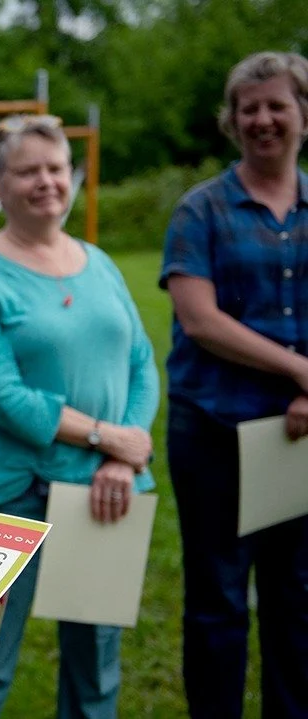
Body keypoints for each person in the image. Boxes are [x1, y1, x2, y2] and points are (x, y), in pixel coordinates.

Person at [0, 115, 159, 719]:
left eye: (56, 168)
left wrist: (121, 453)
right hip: (14, 494)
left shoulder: (99, 261)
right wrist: (105, 435)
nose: (46, 181)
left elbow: (143, 363)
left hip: (104, 491)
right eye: (28, 170)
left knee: (95, 675)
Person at [160, 51, 308, 719]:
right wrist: (299, 369)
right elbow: (200, 319)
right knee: (217, 600)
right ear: (232, 119)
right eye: (248, 107)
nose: (262, 119)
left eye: (276, 104)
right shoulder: (202, 210)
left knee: (298, 596)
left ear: (303, 112)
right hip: (216, 434)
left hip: (298, 436)